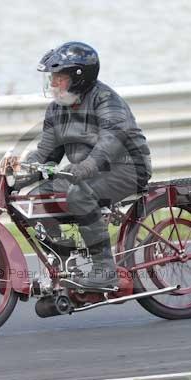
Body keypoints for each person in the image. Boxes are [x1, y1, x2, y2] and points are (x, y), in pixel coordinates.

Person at [25, 41, 152, 288]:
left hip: (127, 168)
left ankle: (105, 271)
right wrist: (17, 170)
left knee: (79, 195)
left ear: (78, 78)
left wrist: (84, 167)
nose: (52, 84)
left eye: (59, 78)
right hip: (83, 171)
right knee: (34, 202)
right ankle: (65, 261)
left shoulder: (107, 101)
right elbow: (46, 155)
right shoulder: (56, 110)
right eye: (52, 78)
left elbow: (109, 143)